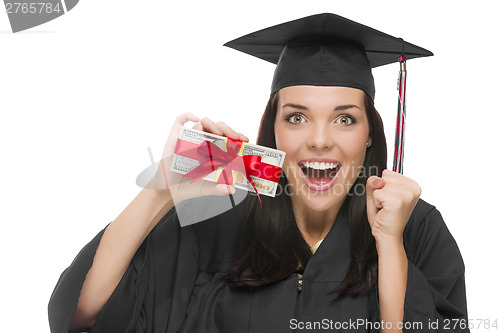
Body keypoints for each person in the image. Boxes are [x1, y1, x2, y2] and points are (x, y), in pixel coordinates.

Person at [48, 13, 469, 333]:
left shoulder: (418, 228)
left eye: (345, 119)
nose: (320, 140)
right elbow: (83, 317)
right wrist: (162, 191)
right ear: (273, 131)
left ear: (370, 136)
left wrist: (391, 243)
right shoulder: (218, 216)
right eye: (297, 117)